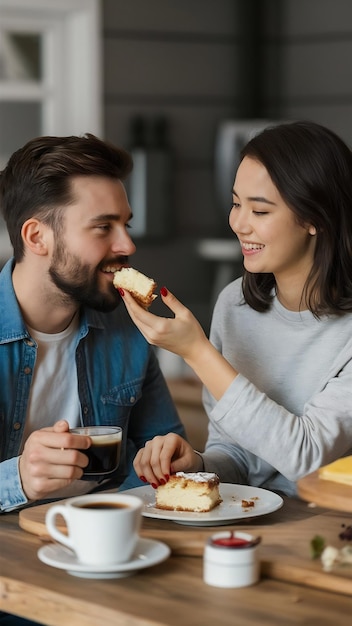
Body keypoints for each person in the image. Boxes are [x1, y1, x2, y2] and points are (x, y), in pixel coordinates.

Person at [119, 120, 352, 497]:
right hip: (253, 525)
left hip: (330, 535)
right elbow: (241, 459)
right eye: (235, 203)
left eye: (259, 211)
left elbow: (306, 457)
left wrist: (197, 352)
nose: (238, 223)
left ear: (315, 218)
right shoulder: (235, 305)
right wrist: (198, 463)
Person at [0, 133, 186, 514]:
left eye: (125, 225)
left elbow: (164, 454)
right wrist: (18, 477)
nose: (127, 246)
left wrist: (175, 464)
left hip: (110, 536)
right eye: (104, 227)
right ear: (37, 237)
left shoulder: (128, 327)